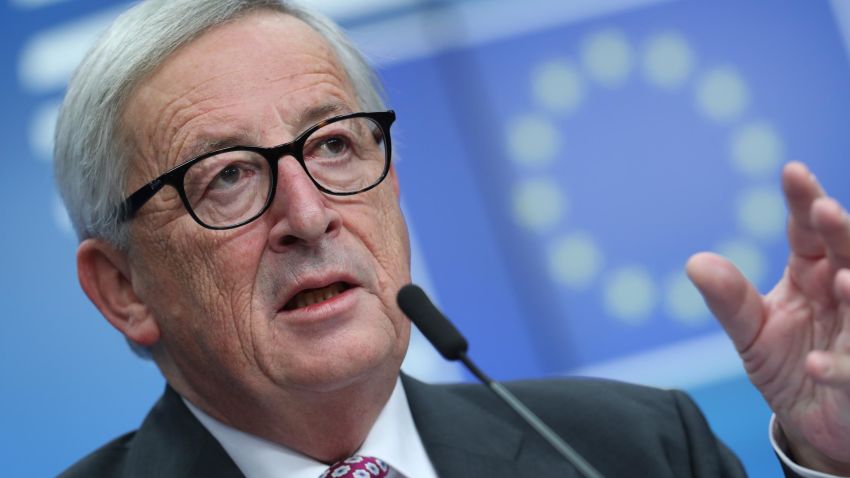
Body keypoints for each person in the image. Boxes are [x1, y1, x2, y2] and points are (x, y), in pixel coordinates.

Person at [54, 0, 849, 476]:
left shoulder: (634, 450)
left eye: (333, 145)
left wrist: (830, 457)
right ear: (123, 289)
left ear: (390, 179)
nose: (307, 214)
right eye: (226, 175)